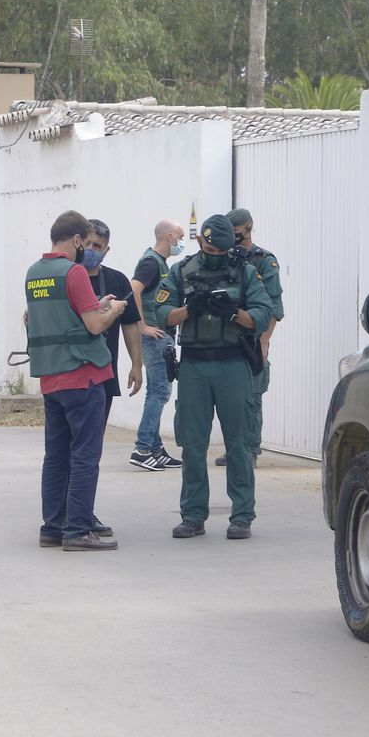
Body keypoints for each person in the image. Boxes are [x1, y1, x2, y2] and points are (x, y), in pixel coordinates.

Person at [154, 214, 273, 540]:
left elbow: (263, 315)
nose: (215, 254)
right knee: (193, 444)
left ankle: (242, 517)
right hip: (194, 366)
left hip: (232, 363)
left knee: (239, 444)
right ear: (200, 242)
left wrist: (234, 313)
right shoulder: (182, 271)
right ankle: (193, 515)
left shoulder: (245, 272)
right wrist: (190, 310)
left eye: (221, 249)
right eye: (209, 247)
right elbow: (162, 313)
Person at [25, 210, 128, 552]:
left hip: (51, 379)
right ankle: (78, 530)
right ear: (76, 240)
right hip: (82, 377)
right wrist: (112, 309)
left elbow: (58, 316)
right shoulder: (74, 272)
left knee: (55, 457)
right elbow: (95, 326)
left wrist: (95, 305)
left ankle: (53, 527)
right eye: (84, 242)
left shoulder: (34, 273)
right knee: (85, 456)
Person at [217, 207, 283, 468]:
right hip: (226, 336)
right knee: (228, 398)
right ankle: (234, 447)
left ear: (249, 228)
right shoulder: (222, 258)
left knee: (252, 396)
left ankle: (251, 450)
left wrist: (264, 341)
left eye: (237, 233)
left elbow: (274, 305)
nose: (234, 238)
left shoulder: (264, 260)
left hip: (253, 337)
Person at [129, 219, 186, 472]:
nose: (182, 242)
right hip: (155, 336)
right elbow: (133, 289)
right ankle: (142, 449)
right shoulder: (152, 262)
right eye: (181, 236)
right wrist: (142, 326)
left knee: (156, 391)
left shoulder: (160, 263)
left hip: (160, 335)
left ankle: (154, 449)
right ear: (170, 237)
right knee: (160, 392)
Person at [83, 218, 144, 421]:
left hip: (103, 373)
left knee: (94, 438)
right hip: (69, 374)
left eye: (97, 246)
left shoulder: (117, 280)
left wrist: (137, 365)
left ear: (106, 250)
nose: (91, 249)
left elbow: (130, 325)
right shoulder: (64, 277)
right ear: (78, 242)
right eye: (87, 243)